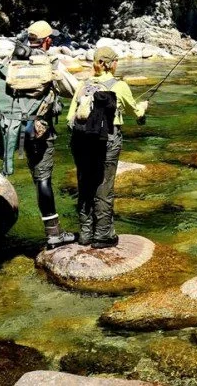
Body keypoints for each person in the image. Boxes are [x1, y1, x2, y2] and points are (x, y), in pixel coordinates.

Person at [0, 20, 80, 249]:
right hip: (37, 132)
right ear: (47, 41)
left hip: (6, 126)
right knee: (42, 180)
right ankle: (53, 233)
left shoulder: (8, 61)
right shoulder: (51, 64)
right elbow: (74, 90)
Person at [66, 45, 147, 248]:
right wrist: (144, 107)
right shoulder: (119, 86)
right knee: (104, 186)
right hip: (107, 140)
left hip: (80, 140)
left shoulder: (83, 85)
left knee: (84, 183)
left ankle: (85, 234)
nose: (117, 64)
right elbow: (136, 113)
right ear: (108, 64)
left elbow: (69, 118)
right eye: (116, 61)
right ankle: (103, 235)